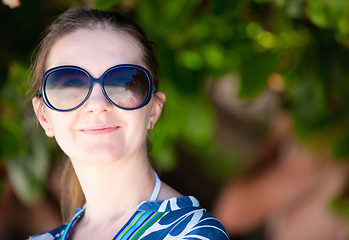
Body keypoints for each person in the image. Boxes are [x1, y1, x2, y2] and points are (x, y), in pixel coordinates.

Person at [27, 7, 229, 240]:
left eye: (122, 81)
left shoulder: (192, 234)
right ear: (44, 117)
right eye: (70, 84)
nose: (97, 103)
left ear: (153, 110)